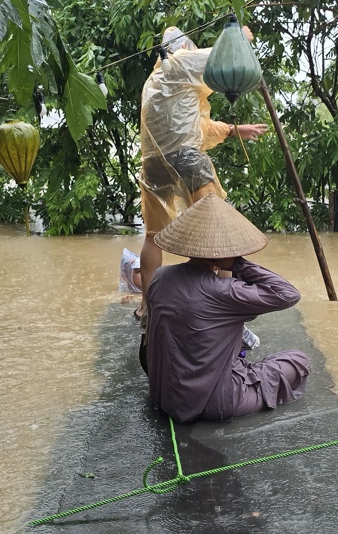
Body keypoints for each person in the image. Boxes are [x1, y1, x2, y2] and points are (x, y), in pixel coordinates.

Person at [137, 25, 268, 319]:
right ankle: (220, 299)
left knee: (153, 236)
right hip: (187, 159)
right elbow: (223, 56)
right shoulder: (180, 62)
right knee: (216, 227)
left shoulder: (153, 82)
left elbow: (193, 125)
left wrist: (235, 130)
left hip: (153, 165)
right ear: (182, 47)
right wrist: (241, 33)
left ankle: (147, 306)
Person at [144, 193, 309, 423]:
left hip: (165, 397)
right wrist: (238, 264)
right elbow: (288, 294)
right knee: (298, 360)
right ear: (224, 254)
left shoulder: (160, 277)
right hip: (216, 403)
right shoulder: (225, 291)